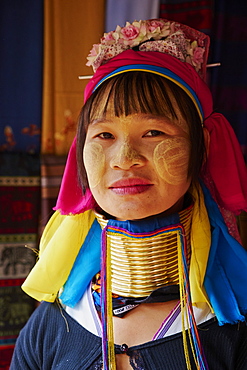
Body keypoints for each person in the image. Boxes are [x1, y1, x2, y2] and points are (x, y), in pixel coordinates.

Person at [10, 19, 247, 370]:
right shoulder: (53, 323)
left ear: (203, 147)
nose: (124, 160)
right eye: (104, 136)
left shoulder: (233, 327)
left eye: (153, 132)